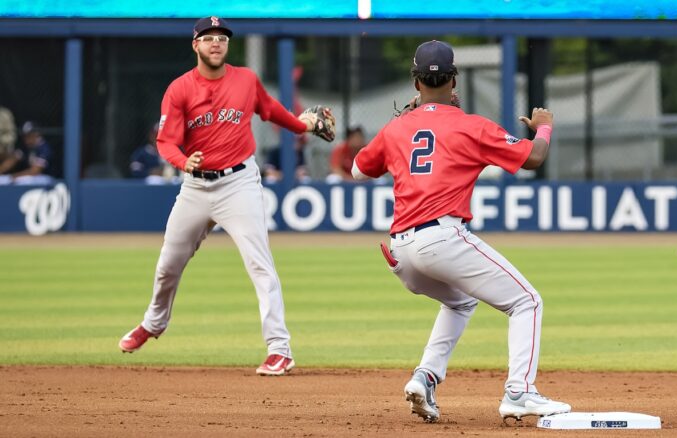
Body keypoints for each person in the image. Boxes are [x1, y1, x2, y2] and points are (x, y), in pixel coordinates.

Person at [351, 40, 570, 423]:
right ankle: (519, 392)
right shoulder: (471, 125)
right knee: (527, 302)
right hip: (441, 237)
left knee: (461, 301)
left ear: (415, 83)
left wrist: (402, 129)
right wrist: (545, 127)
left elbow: (357, 170)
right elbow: (534, 158)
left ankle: (426, 376)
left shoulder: (395, 128)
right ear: (455, 81)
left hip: (400, 252)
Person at [118, 16, 334, 376]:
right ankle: (154, 323)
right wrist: (184, 161)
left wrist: (303, 124)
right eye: (208, 38)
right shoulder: (180, 89)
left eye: (222, 38)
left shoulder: (246, 79)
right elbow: (166, 141)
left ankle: (280, 350)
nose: (216, 43)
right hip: (196, 186)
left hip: (239, 184)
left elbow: (271, 110)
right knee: (167, 265)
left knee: (260, 264)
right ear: (195, 45)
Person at [0, 121, 55, 185]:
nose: (26, 138)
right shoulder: (26, 147)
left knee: (21, 181)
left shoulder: (44, 148)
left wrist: (14, 176)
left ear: (36, 134)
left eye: (29, 135)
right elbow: (12, 160)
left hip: (46, 179)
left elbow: (35, 171)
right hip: (31, 177)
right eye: (25, 136)